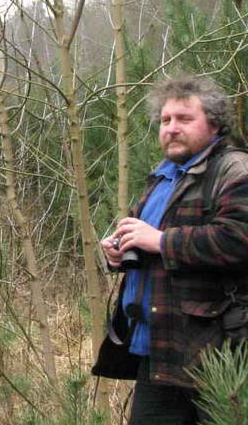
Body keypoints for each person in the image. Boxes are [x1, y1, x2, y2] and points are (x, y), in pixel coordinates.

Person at [92, 74, 248, 424]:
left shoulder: (234, 169)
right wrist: (119, 253)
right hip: (159, 354)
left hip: (220, 357)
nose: (172, 128)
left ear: (214, 123)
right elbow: (146, 242)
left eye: (184, 119)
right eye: (165, 120)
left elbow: (239, 238)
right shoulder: (163, 176)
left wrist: (161, 241)